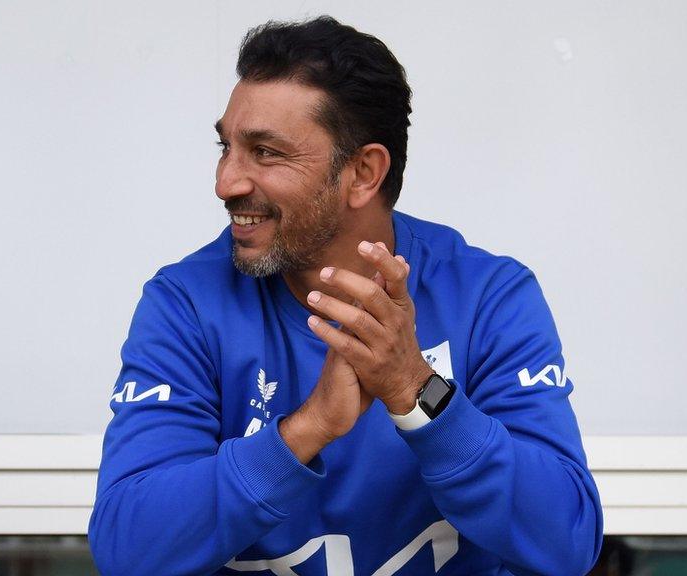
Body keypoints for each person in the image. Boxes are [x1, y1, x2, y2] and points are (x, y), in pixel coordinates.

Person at [88, 15, 603, 576]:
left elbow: (566, 540)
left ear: (362, 173)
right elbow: (128, 551)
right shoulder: (186, 304)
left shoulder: (487, 297)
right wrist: (308, 429)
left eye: (265, 152)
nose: (225, 182)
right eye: (227, 146)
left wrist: (416, 391)